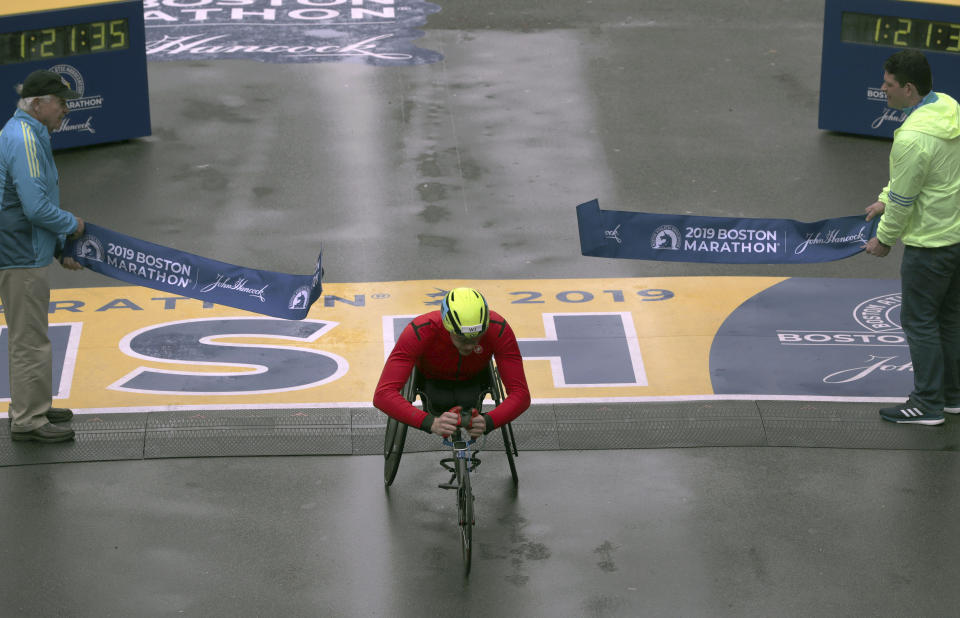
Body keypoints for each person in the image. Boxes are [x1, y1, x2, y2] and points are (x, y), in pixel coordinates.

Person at [863, 50, 960, 426]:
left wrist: (884, 240)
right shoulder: (949, 109)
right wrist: (883, 200)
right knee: (950, 321)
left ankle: (926, 405)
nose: (882, 89)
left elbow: (905, 197)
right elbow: (925, 178)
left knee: (920, 324)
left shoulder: (912, 139)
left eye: (888, 85)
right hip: (955, 238)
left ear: (908, 88)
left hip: (929, 248)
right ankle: (951, 396)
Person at [0, 70, 86, 442]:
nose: (66, 108)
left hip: (24, 248)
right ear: (38, 105)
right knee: (29, 338)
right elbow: (36, 209)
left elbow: (27, 205)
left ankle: (33, 402)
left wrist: (55, 248)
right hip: (18, 253)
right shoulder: (25, 140)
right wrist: (72, 227)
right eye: (60, 102)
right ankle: (28, 419)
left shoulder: (27, 134)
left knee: (31, 334)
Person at [373, 287, 531, 439]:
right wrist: (430, 422)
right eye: (462, 339)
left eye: (477, 337)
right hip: (431, 380)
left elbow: (521, 394)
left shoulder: (498, 328)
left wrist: (488, 421)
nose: (470, 345)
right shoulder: (420, 330)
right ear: (447, 327)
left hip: (475, 379)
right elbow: (383, 395)